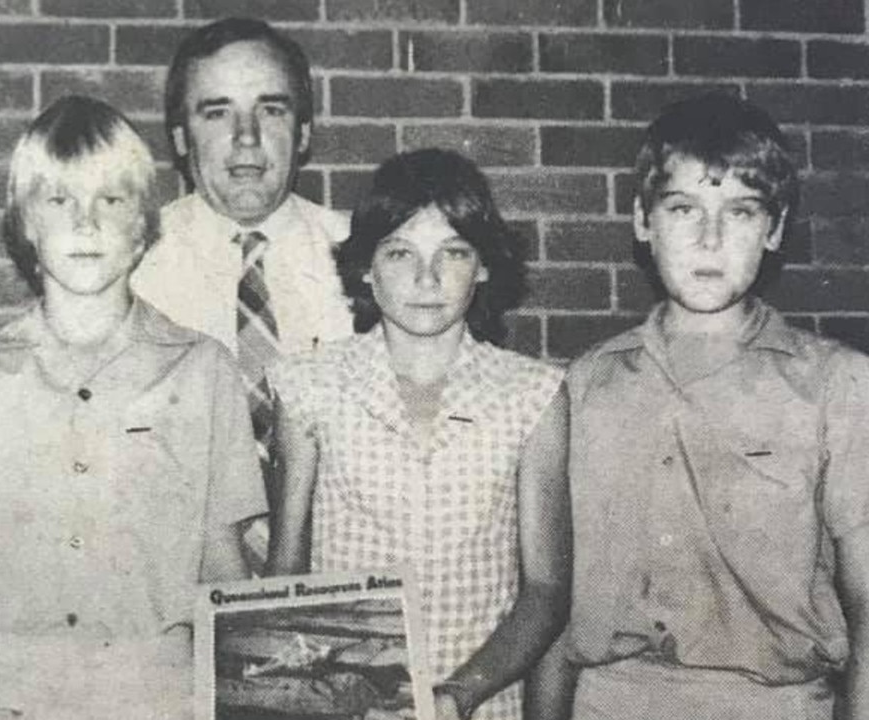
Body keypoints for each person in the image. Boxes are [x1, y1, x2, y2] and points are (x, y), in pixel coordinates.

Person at [0, 95, 265, 720]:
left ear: (143, 226)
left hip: (161, 698)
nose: (86, 222)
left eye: (111, 199)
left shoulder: (203, 372)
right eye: (59, 199)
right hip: (5, 697)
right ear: (25, 224)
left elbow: (223, 575)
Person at [558, 93, 869, 720]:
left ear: (776, 229)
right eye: (683, 208)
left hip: (773, 703)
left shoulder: (839, 385)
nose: (710, 238)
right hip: (610, 701)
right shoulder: (587, 383)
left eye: (742, 211)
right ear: (643, 221)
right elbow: (549, 594)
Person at [266, 148, 571, 720]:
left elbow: (546, 593)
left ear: (482, 266)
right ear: (365, 267)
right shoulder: (307, 387)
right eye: (400, 252)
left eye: (452, 253)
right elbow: (284, 576)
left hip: (480, 704)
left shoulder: (534, 395)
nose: (426, 278)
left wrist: (458, 695)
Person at [130, 16, 354, 564]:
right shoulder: (133, 266)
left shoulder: (368, 256)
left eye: (271, 110)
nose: (246, 137)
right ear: (181, 138)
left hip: (344, 576)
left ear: (303, 133)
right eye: (218, 112)